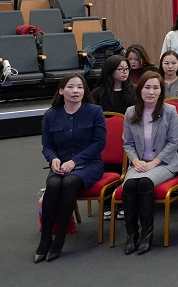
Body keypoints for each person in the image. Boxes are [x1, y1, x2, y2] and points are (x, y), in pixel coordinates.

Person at [36, 74, 106, 263]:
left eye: (80, 87)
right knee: (53, 184)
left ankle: (60, 238)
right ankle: (45, 239)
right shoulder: (51, 114)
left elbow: (99, 144)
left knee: (68, 182)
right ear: (61, 90)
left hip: (90, 164)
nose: (76, 91)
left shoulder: (95, 111)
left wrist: (74, 162)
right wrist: (53, 159)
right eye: (70, 87)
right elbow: (47, 146)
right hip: (61, 165)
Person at [121, 72, 178, 255]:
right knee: (129, 185)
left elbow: (173, 142)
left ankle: (147, 236)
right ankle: (132, 235)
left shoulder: (169, 111)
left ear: (161, 91)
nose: (151, 92)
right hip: (139, 163)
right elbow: (128, 143)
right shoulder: (130, 112)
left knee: (145, 183)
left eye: (156, 88)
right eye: (147, 87)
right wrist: (135, 160)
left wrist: (154, 163)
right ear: (140, 89)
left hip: (164, 163)